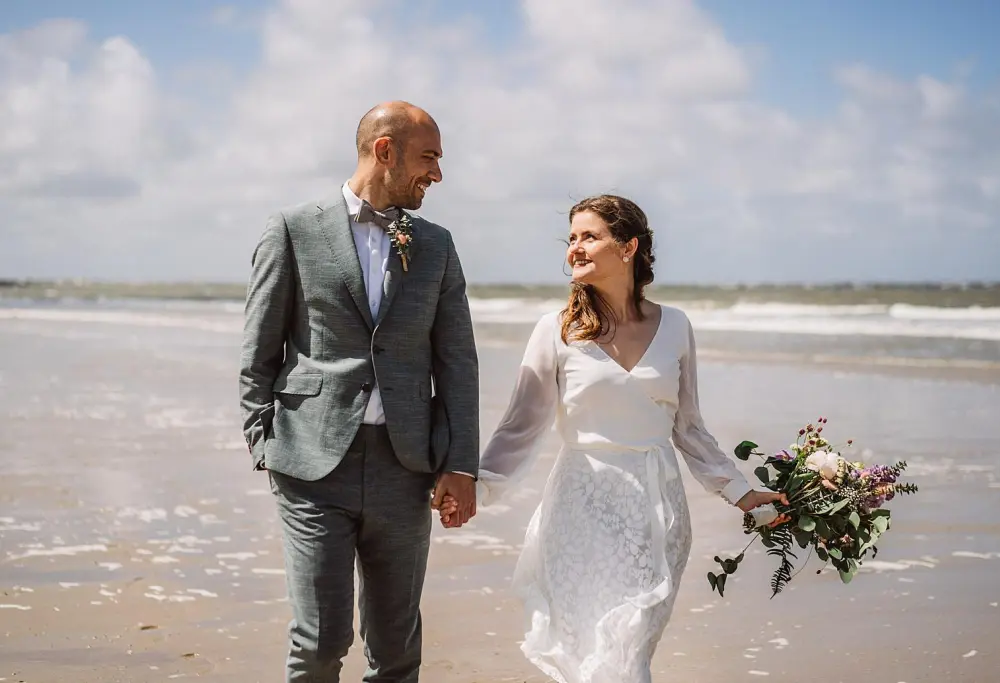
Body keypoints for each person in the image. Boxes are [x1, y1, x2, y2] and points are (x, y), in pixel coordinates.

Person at [438, 194, 787, 683]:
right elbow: (520, 427)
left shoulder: (676, 326)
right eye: (572, 238)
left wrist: (743, 493)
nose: (575, 249)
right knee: (589, 652)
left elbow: (689, 428)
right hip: (580, 507)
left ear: (628, 248)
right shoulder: (555, 331)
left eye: (589, 236)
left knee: (630, 652)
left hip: (656, 509)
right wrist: (479, 486)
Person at [239, 101, 480, 683]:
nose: (438, 175)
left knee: (397, 648)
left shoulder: (437, 245)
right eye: (430, 158)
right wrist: (262, 442)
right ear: (384, 150)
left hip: (406, 467)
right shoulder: (294, 229)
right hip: (312, 465)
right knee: (320, 642)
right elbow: (259, 350)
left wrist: (460, 465)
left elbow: (456, 363)